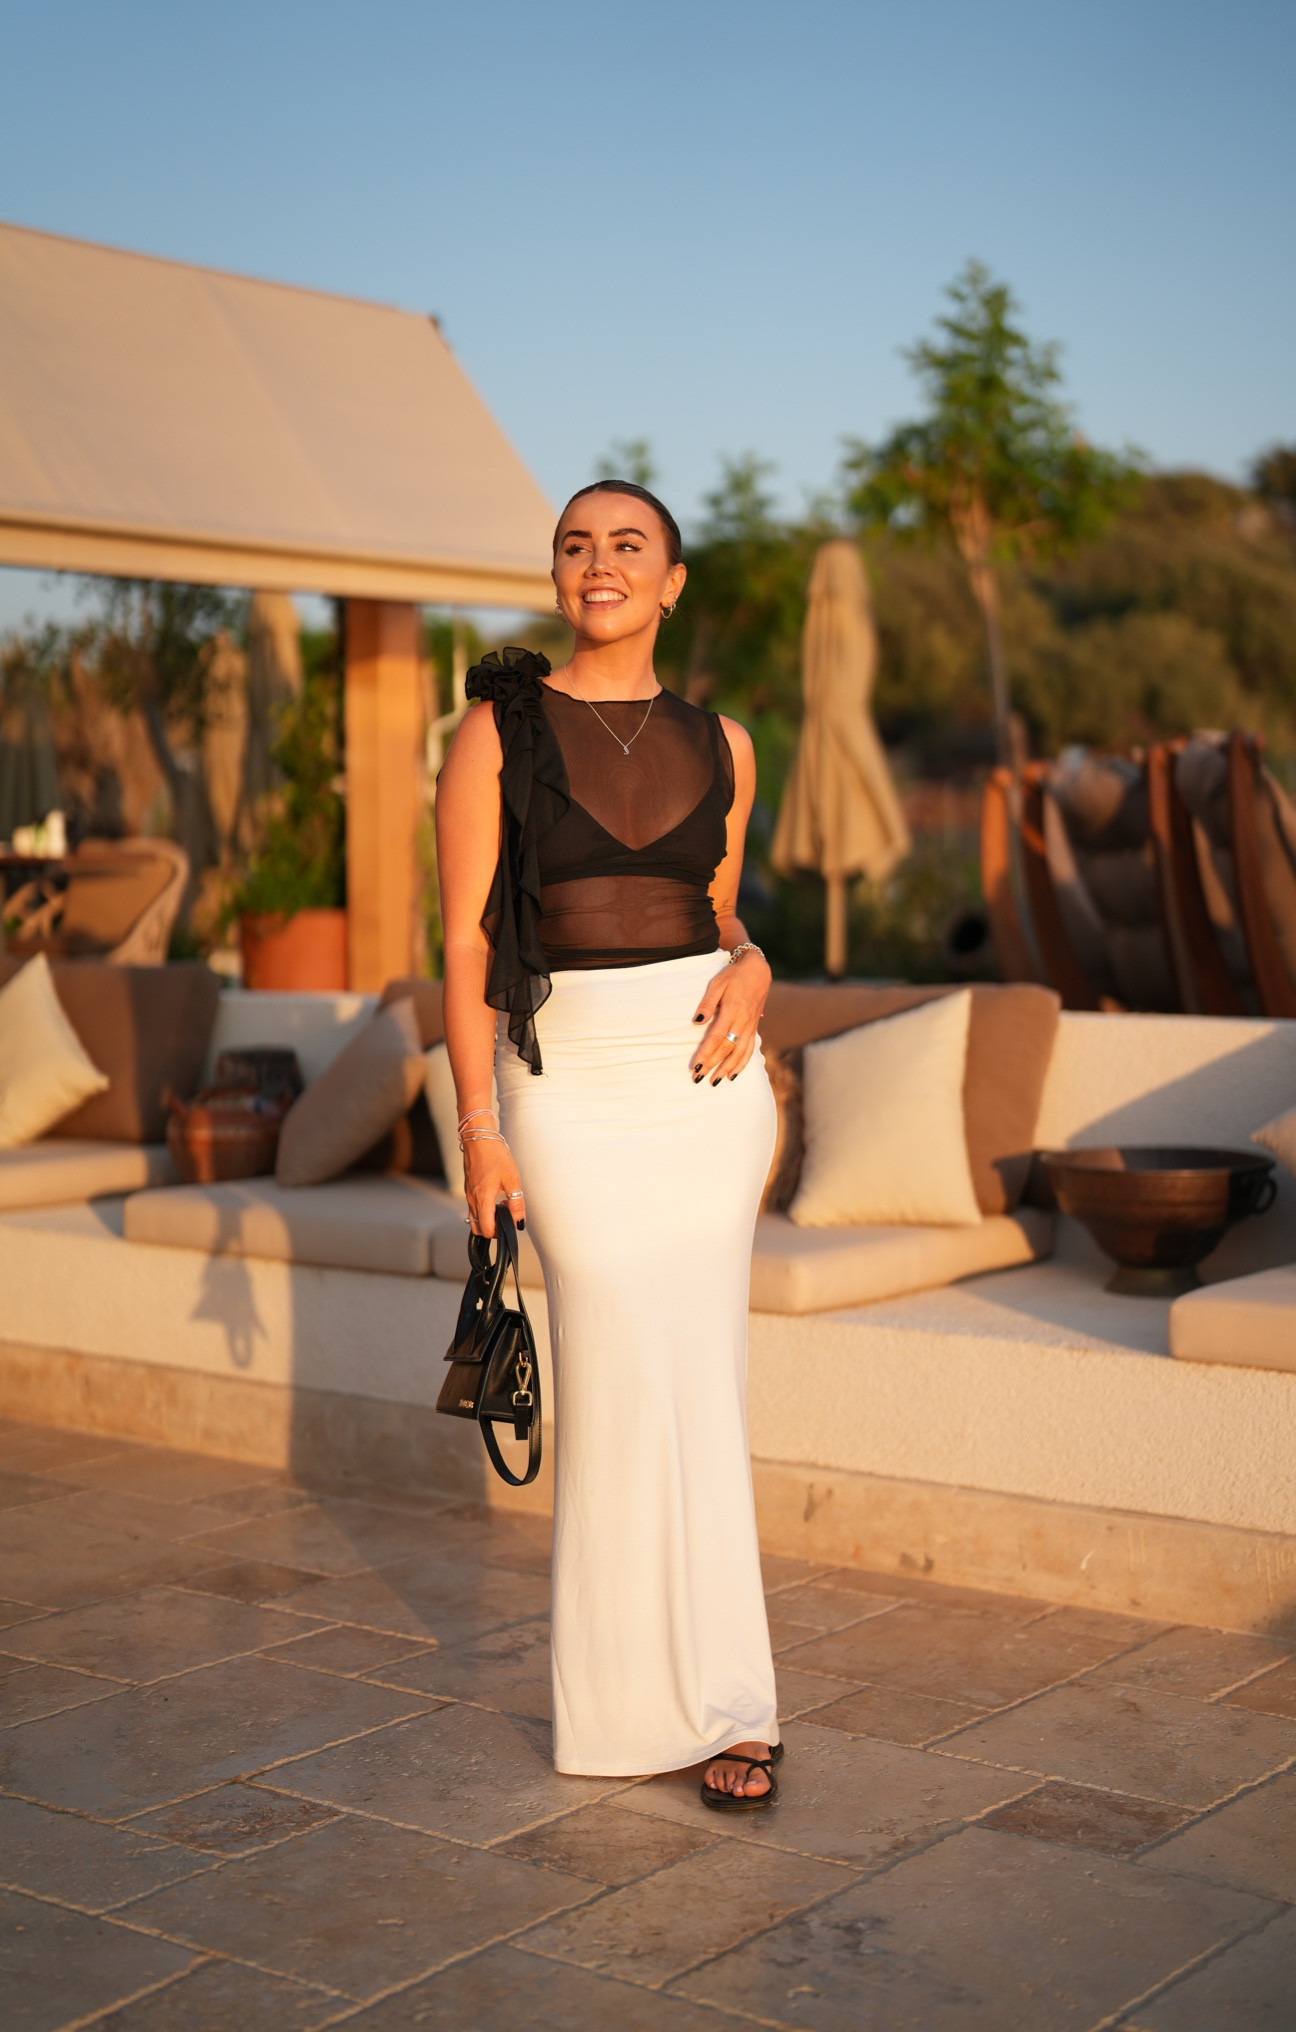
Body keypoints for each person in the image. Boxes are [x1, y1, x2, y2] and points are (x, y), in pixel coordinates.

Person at [435, 479, 781, 1808]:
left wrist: (757, 968)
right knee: (613, 1381)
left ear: (671, 580)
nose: (599, 565)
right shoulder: (495, 731)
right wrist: (480, 1130)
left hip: (706, 1088)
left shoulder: (728, 743)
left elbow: (721, 912)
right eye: (575, 546)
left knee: (703, 1386)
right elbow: (466, 941)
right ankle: (623, 1705)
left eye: (626, 546)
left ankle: (735, 1702)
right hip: (568, 1088)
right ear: (557, 575)